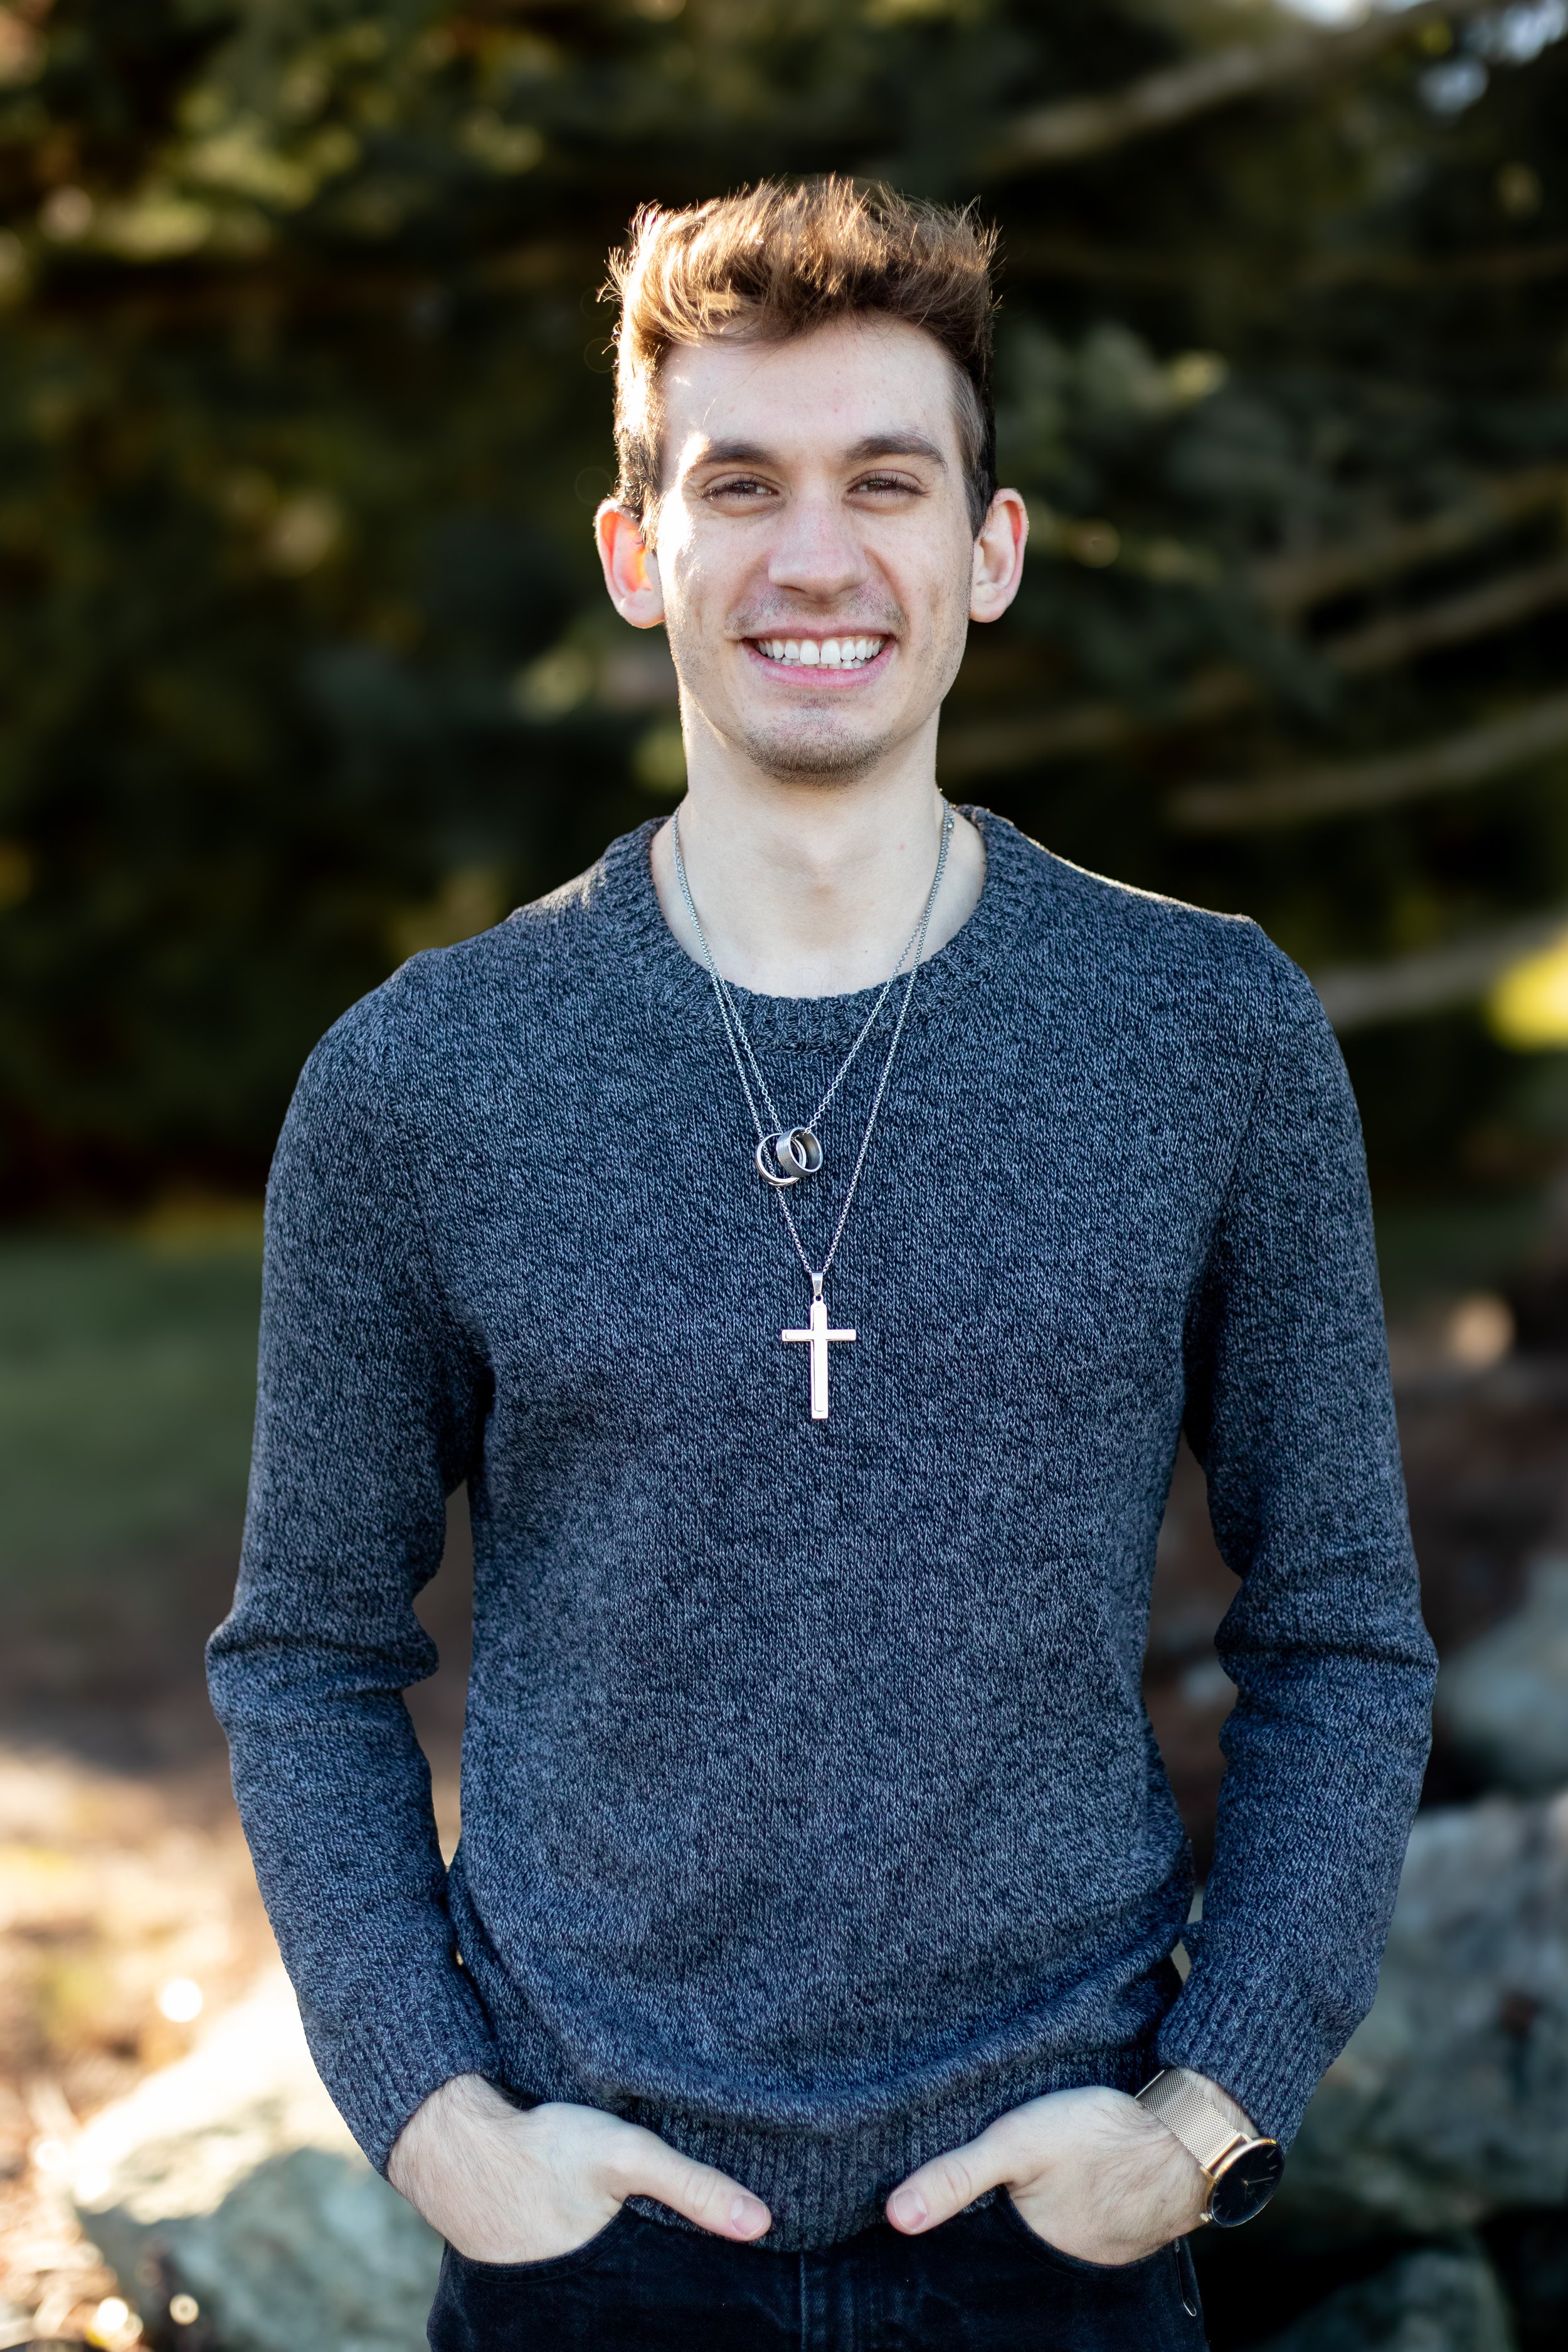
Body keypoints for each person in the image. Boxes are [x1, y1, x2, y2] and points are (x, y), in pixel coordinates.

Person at [208, 179, 1436, 2351]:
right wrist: (433, 2122)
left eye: (887, 480)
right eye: (736, 483)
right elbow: (307, 1650)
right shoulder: (422, 1080)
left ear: (990, 549)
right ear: (635, 551)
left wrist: (1204, 2115)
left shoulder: (1205, 1038)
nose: (811, 556)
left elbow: (1337, 1634)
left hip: (1054, 2233)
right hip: (588, 2241)